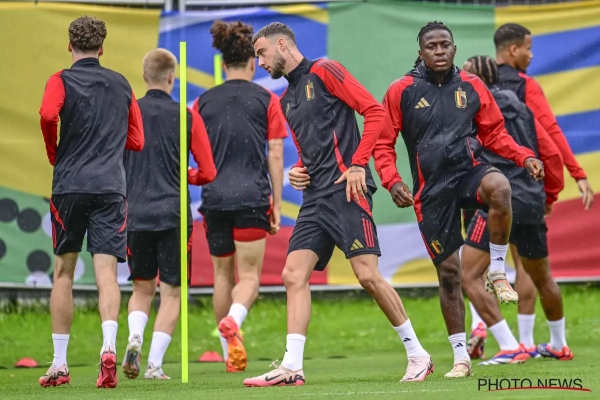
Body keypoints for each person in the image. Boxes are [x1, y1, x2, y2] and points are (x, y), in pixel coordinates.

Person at [244, 22, 433, 387]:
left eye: (262, 53)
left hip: (348, 191)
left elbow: (374, 112)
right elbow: (309, 149)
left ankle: (418, 355)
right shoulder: (286, 99)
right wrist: (298, 170)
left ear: (282, 45)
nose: (260, 63)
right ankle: (292, 367)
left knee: (367, 276)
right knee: (292, 275)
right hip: (315, 199)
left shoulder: (326, 70)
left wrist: (359, 164)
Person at [372, 21, 545, 377]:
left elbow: (494, 133)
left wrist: (523, 156)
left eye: (444, 44)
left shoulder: (472, 85)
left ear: (454, 49)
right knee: (450, 274)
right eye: (431, 46)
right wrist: (392, 181)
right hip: (431, 190)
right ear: (420, 52)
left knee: (500, 188)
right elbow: (383, 143)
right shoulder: (401, 90)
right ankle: (461, 357)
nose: (439, 50)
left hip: (469, 173)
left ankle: (497, 270)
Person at [38, 15, 145, 388]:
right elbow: (137, 140)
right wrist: (108, 139)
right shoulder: (121, 83)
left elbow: (48, 114)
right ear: (102, 48)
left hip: (69, 185)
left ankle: (60, 363)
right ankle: (109, 348)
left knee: (63, 273)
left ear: (70, 45)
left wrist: (55, 151)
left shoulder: (60, 80)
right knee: (107, 275)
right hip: (111, 187)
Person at [460, 55, 572, 365]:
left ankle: (510, 345)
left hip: (498, 201)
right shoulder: (523, 108)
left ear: (476, 80)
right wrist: (548, 196)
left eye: (465, 76)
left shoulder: (473, 110)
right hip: (531, 201)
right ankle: (558, 344)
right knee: (541, 276)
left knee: (468, 275)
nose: (460, 81)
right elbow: (550, 155)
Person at [491, 22, 594, 358]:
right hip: (525, 191)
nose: (531, 55)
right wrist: (573, 176)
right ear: (512, 50)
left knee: (475, 268)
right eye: (528, 48)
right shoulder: (525, 87)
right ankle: (537, 342)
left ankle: (499, 336)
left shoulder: (479, 88)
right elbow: (549, 136)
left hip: (488, 190)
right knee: (531, 268)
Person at [191, 20, 287, 373]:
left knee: (222, 276)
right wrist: (276, 203)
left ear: (222, 64)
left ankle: (228, 352)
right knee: (249, 278)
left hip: (214, 199)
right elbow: (275, 154)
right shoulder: (267, 99)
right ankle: (233, 321)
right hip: (251, 197)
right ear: (252, 63)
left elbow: (193, 154)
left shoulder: (201, 103)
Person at [121, 48, 216, 380]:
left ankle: (135, 337)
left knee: (141, 289)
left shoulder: (128, 113)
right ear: (172, 78)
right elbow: (208, 171)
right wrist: (186, 175)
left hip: (136, 214)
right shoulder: (187, 116)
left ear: (144, 76)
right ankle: (154, 365)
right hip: (174, 216)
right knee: (172, 292)